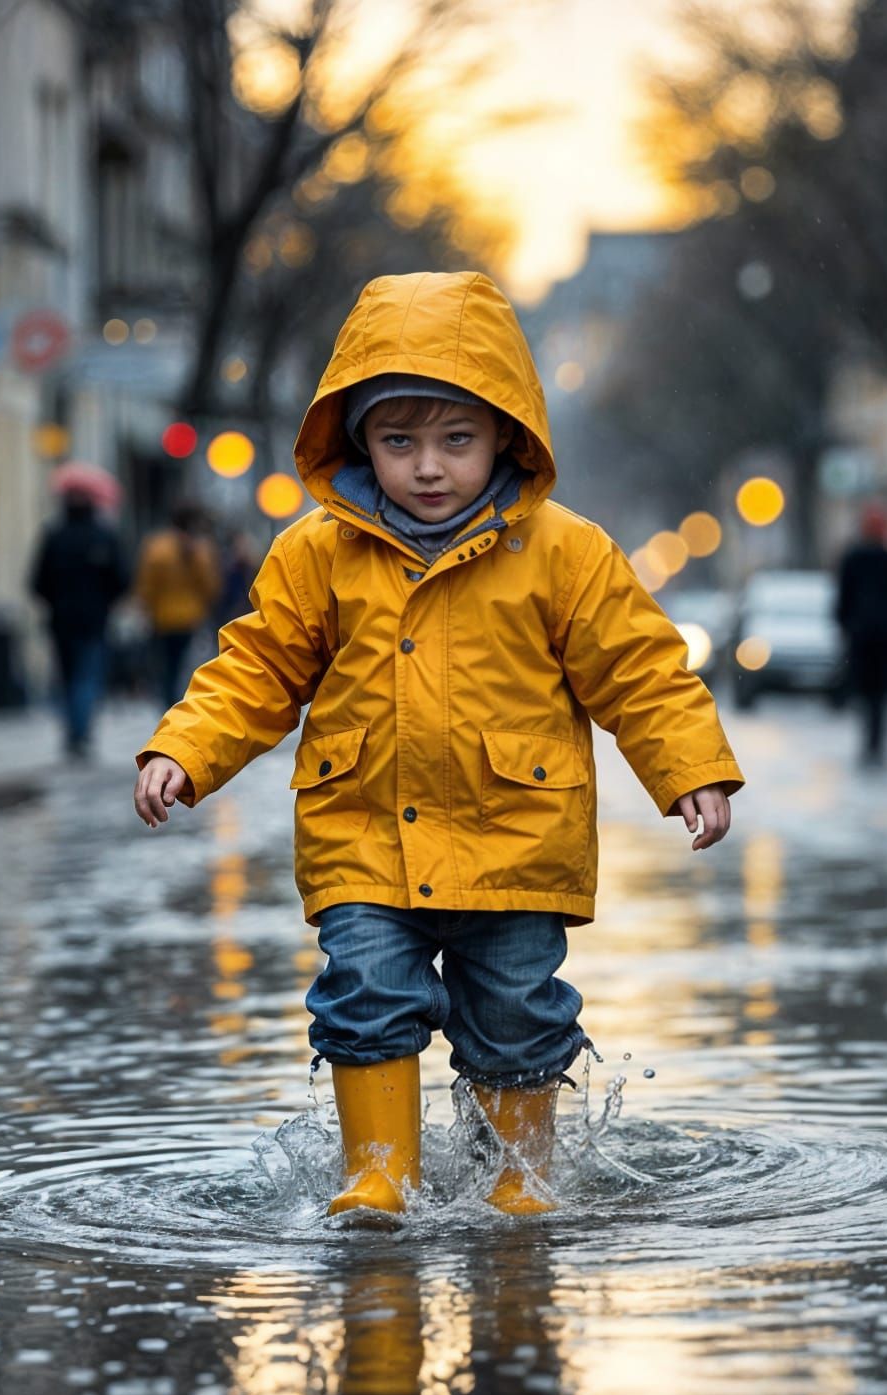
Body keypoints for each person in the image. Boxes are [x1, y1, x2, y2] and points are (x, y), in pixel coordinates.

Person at [132, 271, 744, 1224]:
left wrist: (692, 768)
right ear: (358, 442)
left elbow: (639, 669)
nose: (428, 467)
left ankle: (519, 1175)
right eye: (398, 441)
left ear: (505, 434)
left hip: (516, 840)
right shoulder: (317, 555)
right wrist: (185, 750)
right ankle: (378, 1173)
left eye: (456, 439)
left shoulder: (562, 551)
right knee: (363, 995)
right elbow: (254, 670)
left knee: (517, 1014)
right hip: (364, 837)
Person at [30, 489, 130, 759]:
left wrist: (55, 600)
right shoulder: (103, 536)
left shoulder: (55, 536)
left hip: (61, 619)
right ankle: (80, 731)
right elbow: (121, 580)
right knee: (87, 676)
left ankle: (73, 731)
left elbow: (37, 582)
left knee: (67, 676)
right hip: (94, 619)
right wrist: (105, 600)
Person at [836, 503, 887, 766]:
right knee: (882, 694)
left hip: (864, 638)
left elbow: (843, 598)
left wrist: (847, 625)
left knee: (869, 693)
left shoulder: (854, 559)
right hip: (886, 638)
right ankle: (877, 743)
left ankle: (871, 743)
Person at [135, 501, 222, 705]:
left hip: (161, 618)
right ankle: (184, 704)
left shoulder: (156, 547)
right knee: (189, 667)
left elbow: (146, 585)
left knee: (166, 668)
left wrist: (146, 608)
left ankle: (169, 705)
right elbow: (211, 586)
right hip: (191, 618)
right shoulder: (201, 549)